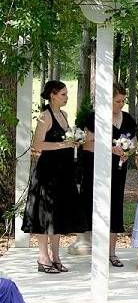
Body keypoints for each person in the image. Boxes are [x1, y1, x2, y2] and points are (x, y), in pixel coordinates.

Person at [22, 80, 87, 273]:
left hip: (64, 172)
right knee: (44, 215)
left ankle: (56, 257)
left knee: (59, 214)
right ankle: (43, 258)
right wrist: (64, 145)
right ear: (52, 95)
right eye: (63, 94)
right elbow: (37, 145)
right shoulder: (45, 117)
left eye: (66, 94)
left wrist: (74, 142)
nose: (66, 97)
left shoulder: (64, 115)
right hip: (48, 172)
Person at [80, 83, 137, 267]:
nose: (121, 104)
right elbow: (86, 145)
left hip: (119, 171)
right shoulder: (94, 118)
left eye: (123, 100)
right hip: (96, 171)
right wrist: (109, 148)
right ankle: (97, 252)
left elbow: (134, 144)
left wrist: (128, 151)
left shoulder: (128, 119)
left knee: (115, 209)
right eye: (117, 101)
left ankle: (112, 253)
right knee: (96, 209)